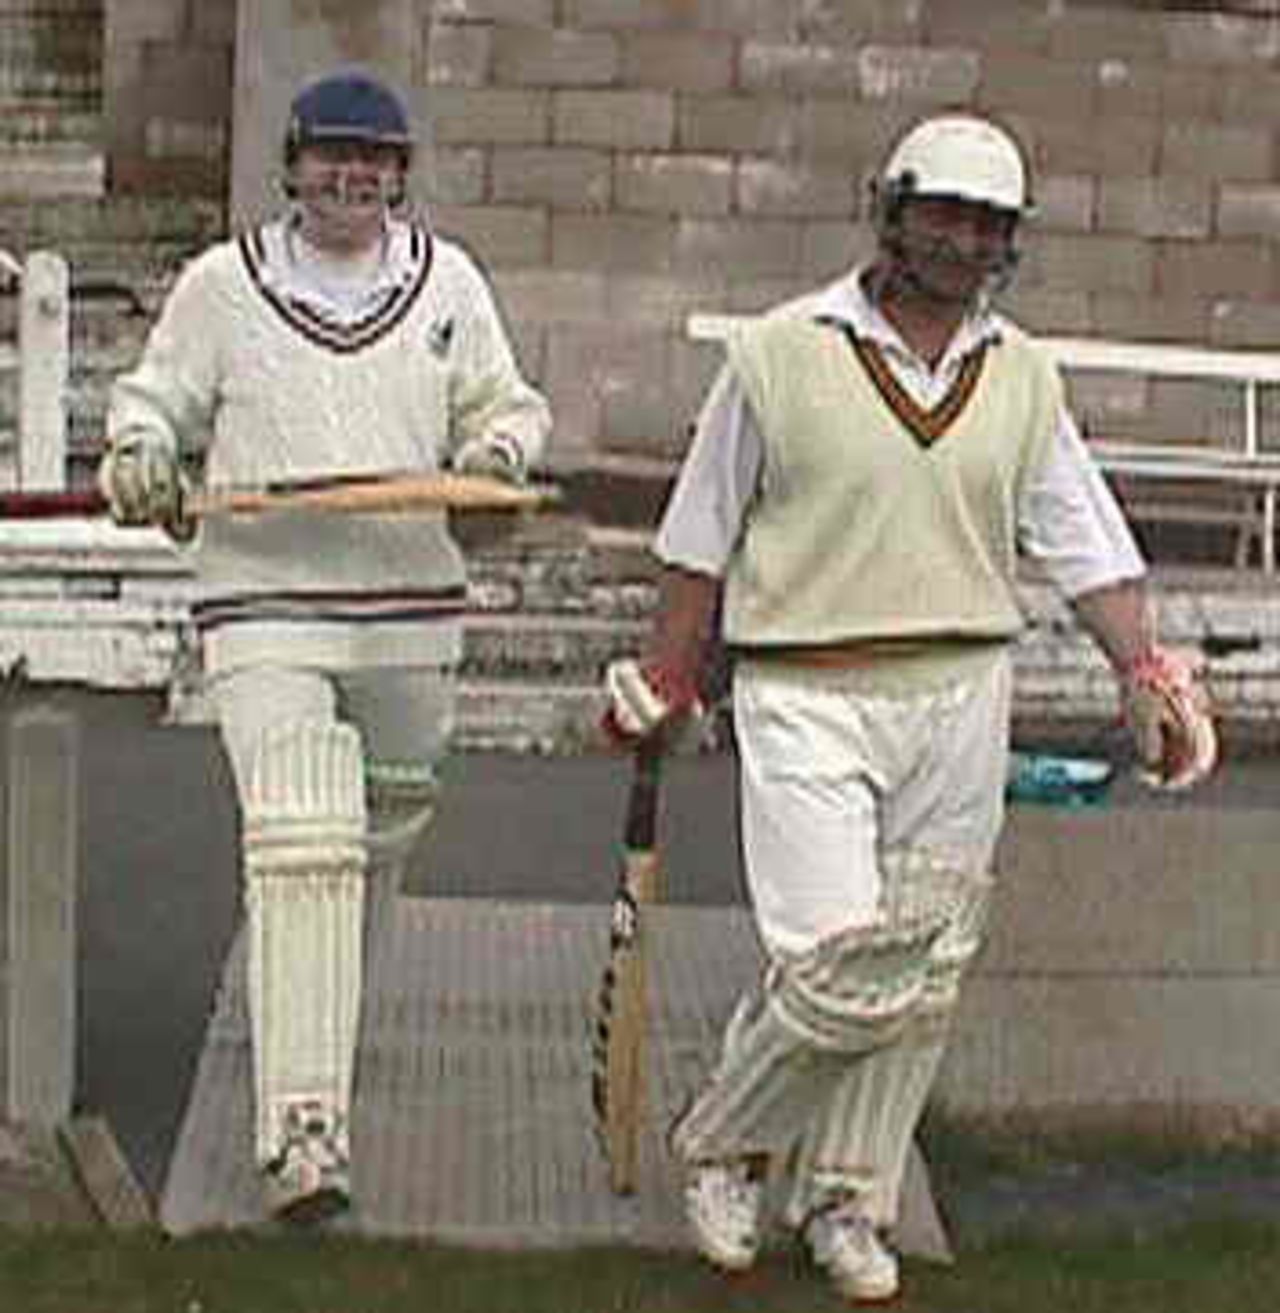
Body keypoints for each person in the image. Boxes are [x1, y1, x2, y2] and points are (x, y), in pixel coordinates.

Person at [601, 111, 1216, 1304]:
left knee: (924, 969)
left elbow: (1084, 546)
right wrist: (667, 680)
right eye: (939, 212)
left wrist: (1145, 669)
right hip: (805, 688)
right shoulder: (779, 353)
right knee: (836, 967)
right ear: (889, 210)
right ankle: (722, 1137)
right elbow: (697, 538)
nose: (958, 240)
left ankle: (846, 1196)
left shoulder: (1022, 376)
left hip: (958, 691)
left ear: (1008, 243)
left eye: (984, 224)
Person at [97, 69, 551, 1223]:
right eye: (332, 155)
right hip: (265, 600)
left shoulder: (446, 284)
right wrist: (142, 454)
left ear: (400, 174)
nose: (353, 176)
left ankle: (317, 1043)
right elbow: (155, 403)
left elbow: (503, 405)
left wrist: (495, 453)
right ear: (292, 165)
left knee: (375, 843)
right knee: (303, 827)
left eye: (376, 159)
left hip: (407, 609)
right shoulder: (222, 286)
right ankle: (304, 1136)